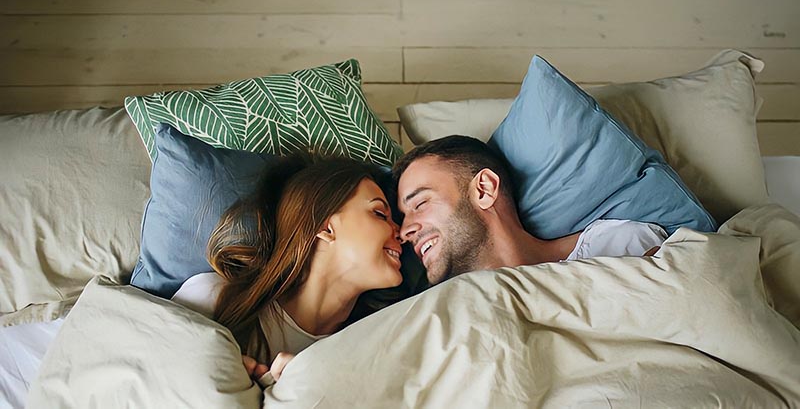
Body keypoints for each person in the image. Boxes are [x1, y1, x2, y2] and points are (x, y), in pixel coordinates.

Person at [172, 155, 403, 385]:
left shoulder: (368, 353)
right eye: (380, 214)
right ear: (325, 227)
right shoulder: (211, 298)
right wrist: (217, 378)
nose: (400, 233)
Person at [392, 135, 666, 285]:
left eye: (420, 204)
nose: (404, 231)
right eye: (404, 216)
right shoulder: (437, 314)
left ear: (484, 190)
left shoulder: (621, 246)